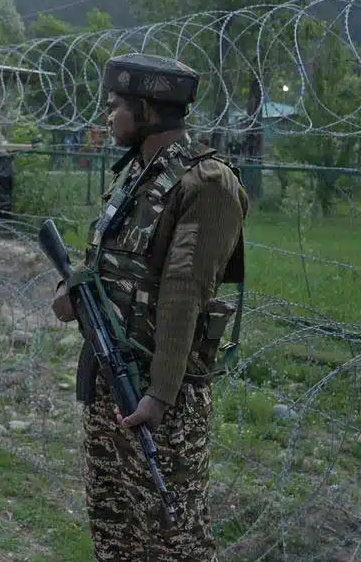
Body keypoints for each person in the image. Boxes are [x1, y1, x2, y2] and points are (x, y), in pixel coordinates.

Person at [50, 53, 247, 562]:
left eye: (116, 107)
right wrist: (69, 290)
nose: (108, 117)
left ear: (147, 109)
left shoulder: (205, 184)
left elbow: (185, 295)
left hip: (160, 399)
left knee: (172, 540)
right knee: (115, 530)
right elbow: (99, 263)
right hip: (109, 381)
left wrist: (157, 398)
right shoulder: (136, 174)